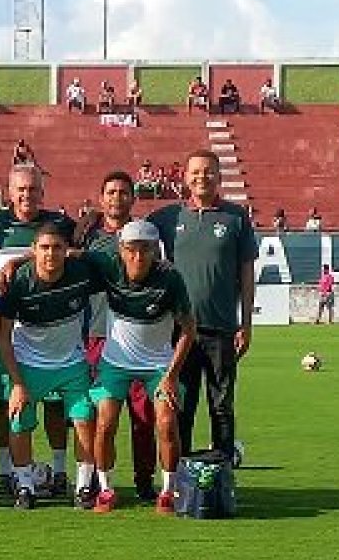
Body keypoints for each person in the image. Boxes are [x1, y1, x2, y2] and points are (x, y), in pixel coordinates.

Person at [147, 151, 256, 465]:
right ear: (184, 177)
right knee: (181, 404)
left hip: (222, 329)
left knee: (222, 405)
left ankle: (222, 471)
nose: (201, 177)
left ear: (219, 177)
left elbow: (246, 273)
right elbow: (130, 235)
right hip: (180, 333)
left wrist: (246, 323)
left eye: (208, 172)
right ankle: (178, 474)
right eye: (195, 172)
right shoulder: (167, 218)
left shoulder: (236, 217)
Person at [0, 165, 77, 497]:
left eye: (33, 189)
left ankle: (60, 470)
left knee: (54, 406)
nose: (27, 195)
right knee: (8, 403)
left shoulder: (60, 224)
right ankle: (7, 471)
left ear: (42, 192)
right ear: (10, 192)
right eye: (21, 190)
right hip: (10, 333)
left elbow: (76, 254)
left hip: (51, 335)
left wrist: (20, 260)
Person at [88, 220, 197, 514]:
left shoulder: (170, 278)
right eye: (131, 249)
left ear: (155, 251)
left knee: (165, 423)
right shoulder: (107, 266)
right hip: (115, 362)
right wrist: (19, 262)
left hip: (158, 365)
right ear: (121, 250)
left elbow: (188, 328)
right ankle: (106, 489)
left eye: (145, 250)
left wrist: (172, 376)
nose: (138, 257)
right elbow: (67, 256)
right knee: (105, 422)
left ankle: (167, 491)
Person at [0, 222, 103, 510]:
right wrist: (17, 383)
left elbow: (113, 264)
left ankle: (82, 488)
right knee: (19, 422)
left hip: (72, 363)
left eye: (57, 248)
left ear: (67, 251)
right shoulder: (18, 284)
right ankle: (25, 488)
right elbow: (3, 338)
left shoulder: (82, 273)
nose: (50, 254)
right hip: (28, 364)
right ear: (34, 251)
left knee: (84, 421)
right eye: (44, 248)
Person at [74, 171, 157, 499]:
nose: (117, 198)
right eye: (111, 192)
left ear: (132, 198)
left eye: (124, 192)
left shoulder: (144, 237)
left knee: (143, 415)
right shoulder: (87, 236)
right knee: (96, 414)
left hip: (137, 337)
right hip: (97, 334)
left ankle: (144, 480)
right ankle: (94, 477)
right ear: (101, 197)